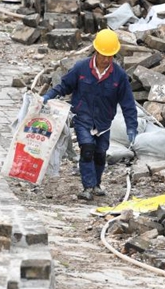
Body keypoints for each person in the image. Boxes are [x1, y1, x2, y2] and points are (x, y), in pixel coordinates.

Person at [43, 29, 138, 201]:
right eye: (103, 55)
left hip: (104, 122)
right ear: (96, 51)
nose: (106, 59)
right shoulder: (81, 68)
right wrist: (49, 96)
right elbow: (65, 86)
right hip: (83, 118)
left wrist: (132, 126)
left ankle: (96, 184)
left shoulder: (119, 76)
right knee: (87, 150)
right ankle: (87, 187)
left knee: (101, 153)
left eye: (110, 56)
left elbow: (128, 104)